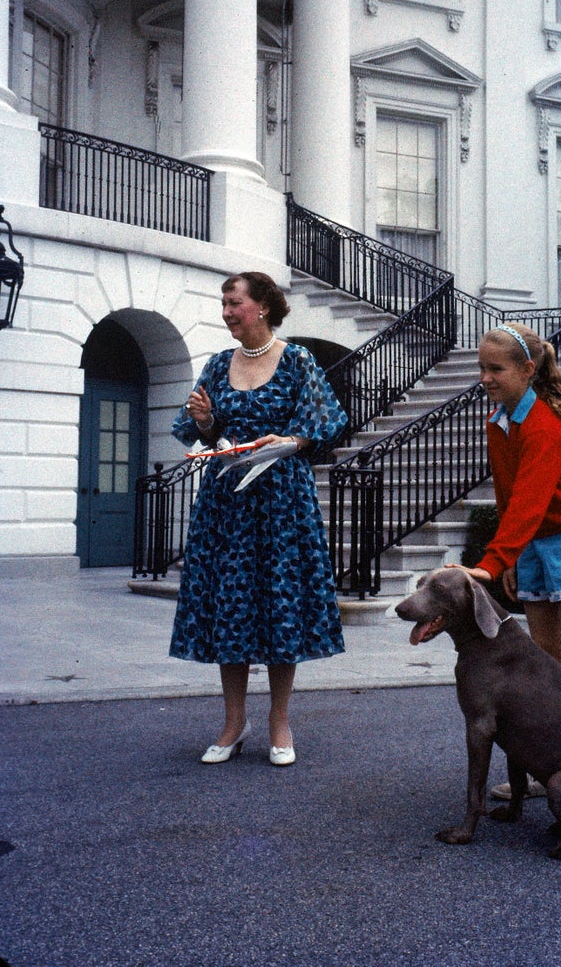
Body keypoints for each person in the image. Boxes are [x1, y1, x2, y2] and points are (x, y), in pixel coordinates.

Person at [169, 271, 347, 767]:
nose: (226, 311)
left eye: (234, 302)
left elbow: (327, 424)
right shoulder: (216, 364)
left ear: (263, 306)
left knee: (280, 604)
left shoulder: (297, 361)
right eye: (224, 303)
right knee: (231, 606)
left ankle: (279, 720)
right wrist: (207, 423)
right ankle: (233, 722)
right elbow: (195, 430)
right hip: (227, 504)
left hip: (281, 502)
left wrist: (288, 440)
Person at [450, 322, 561, 799]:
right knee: (547, 666)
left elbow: (531, 501)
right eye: (481, 367)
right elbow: (510, 499)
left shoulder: (543, 425)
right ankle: (551, 767)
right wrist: (510, 560)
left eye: (495, 368)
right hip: (532, 547)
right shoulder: (500, 420)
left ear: (527, 370)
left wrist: (489, 562)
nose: (485, 377)